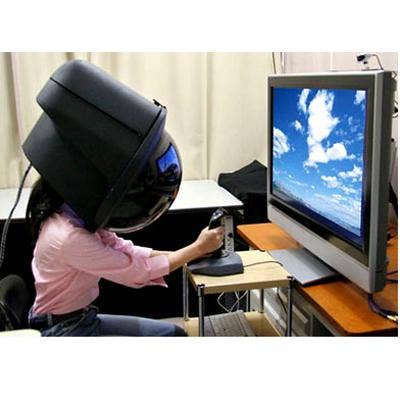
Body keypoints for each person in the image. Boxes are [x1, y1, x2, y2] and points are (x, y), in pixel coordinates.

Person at [26, 177, 224, 336]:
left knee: (173, 333)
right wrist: (197, 249)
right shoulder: (70, 237)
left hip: (80, 317)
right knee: (172, 335)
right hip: (64, 328)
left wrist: (189, 252)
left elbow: (122, 248)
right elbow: (137, 272)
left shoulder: (70, 215)